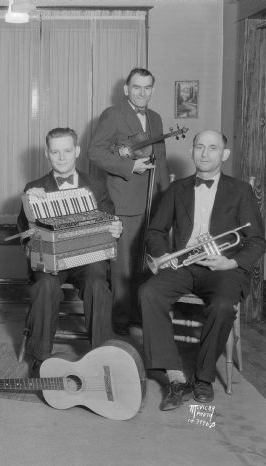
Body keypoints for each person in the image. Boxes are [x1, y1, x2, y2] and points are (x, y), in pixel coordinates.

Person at [139, 130, 266, 410]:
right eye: (199, 147)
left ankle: (203, 378)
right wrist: (164, 255)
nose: (205, 153)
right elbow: (156, 231)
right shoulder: (177, 189)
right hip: (184, 266)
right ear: (192, 152)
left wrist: (230, 263)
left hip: (222, 268)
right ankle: (173, 376)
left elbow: (257, 242)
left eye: (212, 148)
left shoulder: (241, 190)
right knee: (149, 293)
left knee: (222, 305)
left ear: (225, 154)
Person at [17, 127, 123, 373]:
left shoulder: (96, 184)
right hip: (52, 262)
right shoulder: (34, 187)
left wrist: (117, 227)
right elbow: (24, 232)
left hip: (87, 259)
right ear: (47, 154)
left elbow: (111, 219)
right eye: (55, 152)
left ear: (76, 151)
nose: (62, 157)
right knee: (45, 285)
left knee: (98, 281)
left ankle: (101, 355)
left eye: (67, 151)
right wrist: (30, 206)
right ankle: (41, 358)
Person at [88, 67, 169, 335]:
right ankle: (120, 325)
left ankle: (139, 317)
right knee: (123, 267)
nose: (142, 93)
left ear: (152, 90)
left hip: (151, 202)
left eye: (147, 88)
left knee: (144, 264)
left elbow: (162, 162)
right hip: (123, 203)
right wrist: (129, 166)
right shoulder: (112, 115)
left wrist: (165, 202)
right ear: (126, 89)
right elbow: (95, 153)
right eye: (137, 87)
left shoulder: (155, 118)